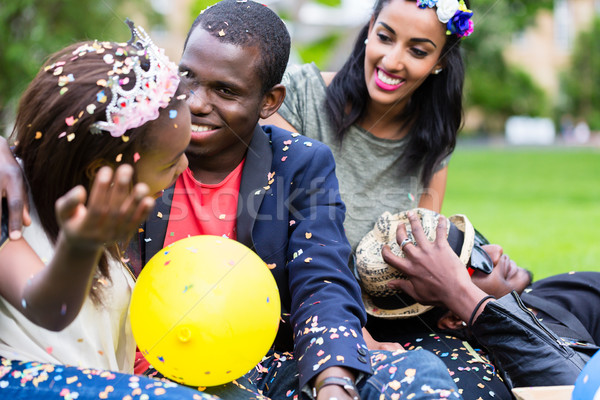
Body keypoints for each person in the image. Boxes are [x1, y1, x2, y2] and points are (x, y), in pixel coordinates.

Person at [128, 1, 464, 399]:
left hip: (262, 362)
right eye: (188, 78)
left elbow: (322, 278)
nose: (197, 103)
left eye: (225, 91)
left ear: (269, 102)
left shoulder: (300, 163)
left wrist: (334, 381)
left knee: (417, 374)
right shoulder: (135, 152)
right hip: (155, 371)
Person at [0, 23, 219, 399]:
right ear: (98, 172)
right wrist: (80, 248)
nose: (184, 167)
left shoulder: (111, 206)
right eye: (169, 163)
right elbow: (48, 309)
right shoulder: (11, 205)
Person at [263, 0, 473, 251]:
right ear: (371, 27)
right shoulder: (295, 96)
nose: (393, 62)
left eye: (417, 51)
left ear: (441, 61)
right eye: (385, 37)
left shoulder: (432, 141)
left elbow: (423, 254)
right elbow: (287, 226)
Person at [368, 208, 595, 389]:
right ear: (455, 317)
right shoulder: (483, 369)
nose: (496, 250)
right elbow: (579, 391)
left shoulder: (562, 288)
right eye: (477, 260)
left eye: (478, 241)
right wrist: (463, 295)